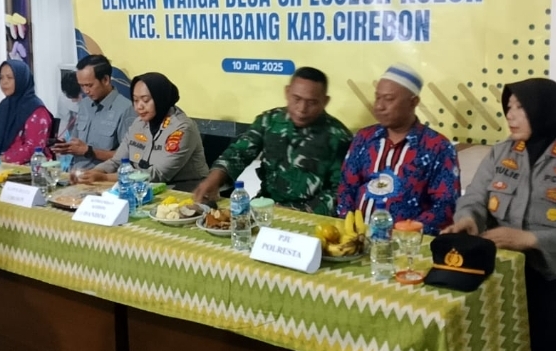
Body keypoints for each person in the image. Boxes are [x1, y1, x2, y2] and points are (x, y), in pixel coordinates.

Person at [442, 78, 556, 351]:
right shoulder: (501, 152)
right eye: (509, 107)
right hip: (504, 265)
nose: (510, 115)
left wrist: (531, 239)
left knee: (551, 338)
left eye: (520, 107)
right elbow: (475, 197)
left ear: (545, 110)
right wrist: (468, 218)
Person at [192, 67, 352, 216]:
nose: (302, 108)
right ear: (287, 92)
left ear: (325, 101)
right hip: (265, 207)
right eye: (296, 99)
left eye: (312, 102)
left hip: (311, 217)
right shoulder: (269, 121)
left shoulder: (339, 137)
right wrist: (214, 179)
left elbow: (340, 191)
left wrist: (297, 212)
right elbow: (239, 153)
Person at [336, 64, 461, 235]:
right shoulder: (364, 138)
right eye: (377, 98)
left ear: (413, 102)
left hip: (406, 241)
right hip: (356, 235)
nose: (379, 106)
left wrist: (405, 233)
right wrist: (349, 227)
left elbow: (445, 206)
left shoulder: (437, 147)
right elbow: (346, 188)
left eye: (388, 99)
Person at [82, 72, 208, 191]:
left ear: (160, 99)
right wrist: (92, 173)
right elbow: (116, 161)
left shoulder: (182, 128)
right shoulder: (138, 123)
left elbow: (158, 174)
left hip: (186, 192)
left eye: (146, 100)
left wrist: (105, 177)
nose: (139, 107)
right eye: (135, 100)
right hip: (144, 189)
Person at [51, 55, 136, 169]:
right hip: (75, 173)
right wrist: (66, 146)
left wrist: (89, 151)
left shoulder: (126, 109)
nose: (86, 91)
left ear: (105, 80)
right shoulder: (84, 104)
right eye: (82, 86)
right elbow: (76, 141)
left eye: (89, 85)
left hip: (102, 176)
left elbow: (129, 157)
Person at [0, 60, 53, 164]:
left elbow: (33, 148)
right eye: (1, 78)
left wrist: (2, 159)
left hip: (30, 168)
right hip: (1, 165)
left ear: (21, 79)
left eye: (9, 78)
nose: (4, 82)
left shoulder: (36, 110)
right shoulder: (3, 107)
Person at [56, 71, 82, 136]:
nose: (73, 100)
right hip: (71, 128)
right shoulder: (63, 98)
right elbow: (63, 122)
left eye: (75, 97)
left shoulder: (89, 94)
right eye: (70, 97)